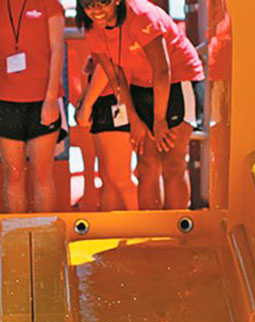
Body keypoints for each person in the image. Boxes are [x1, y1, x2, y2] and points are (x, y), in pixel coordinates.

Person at [79, 0, 203, 210]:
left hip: (177, 80)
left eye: (102, 3)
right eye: (89, 5)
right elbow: (116, 76)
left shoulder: (141, 14)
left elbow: (162, 70)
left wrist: (159, 119)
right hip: (139, 84)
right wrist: (134, 119)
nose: (96, 11)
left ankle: (177, 234)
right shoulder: (92, 26)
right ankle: (151, 236)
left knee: (173, 162)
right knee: (147, 165)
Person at [0, 0, 65, 213]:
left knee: (42, 175)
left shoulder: (50, 4)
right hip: (5, 99)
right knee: (14, 175)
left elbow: (57, 48)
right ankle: (16, 233)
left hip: (43, 99)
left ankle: (46, 233)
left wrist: (51, 99)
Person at [75, 56, 137, 210]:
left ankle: (141, 225)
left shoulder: (107, 34)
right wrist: (84, 103)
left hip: (115, 100)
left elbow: (107, 62)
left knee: (121, 177)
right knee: (107, 178)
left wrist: (85, 105)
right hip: (101, 100)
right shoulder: (96, 34)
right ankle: (111, 228)